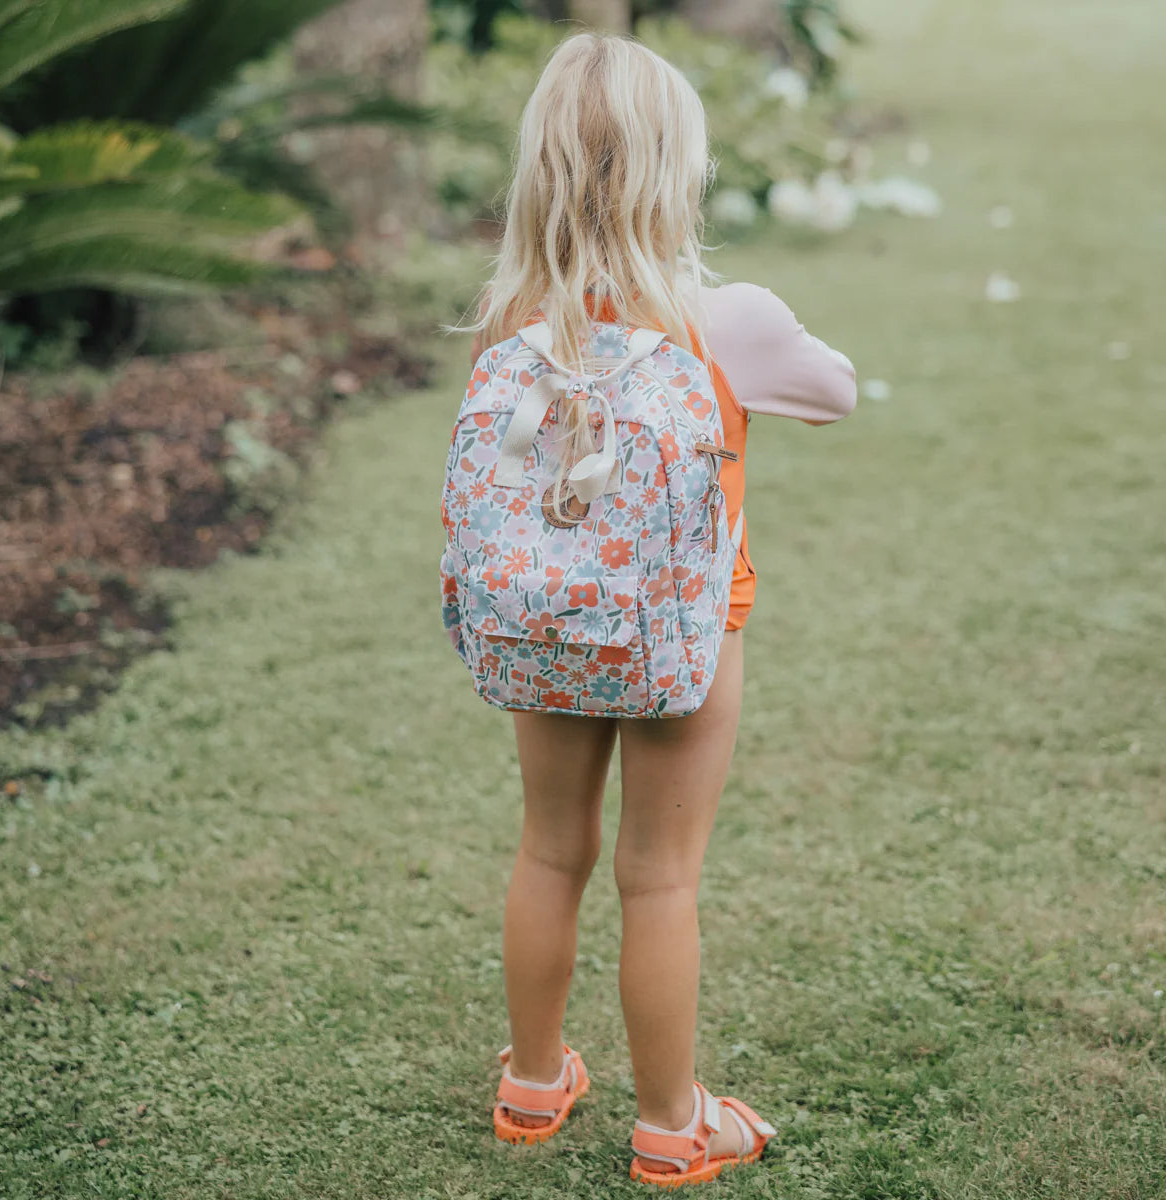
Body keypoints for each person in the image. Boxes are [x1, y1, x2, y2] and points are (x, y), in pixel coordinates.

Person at [460, 30, 856, 1188]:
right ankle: (672, 1123)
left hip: (542, 625)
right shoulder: (723, 321)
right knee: (661, 876)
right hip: (681, 637)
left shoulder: (512, 312)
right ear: (678, 172)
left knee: (549, 848)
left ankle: (534, 1082)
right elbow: (832, 392)